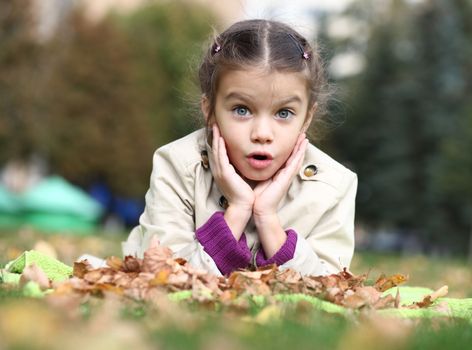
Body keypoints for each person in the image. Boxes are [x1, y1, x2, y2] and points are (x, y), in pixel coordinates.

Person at [122, 19, 358, 276]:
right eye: (242, 110)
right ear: (209, 110)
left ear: (307, 118)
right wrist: (238, 210)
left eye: (284, 113)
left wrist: (267, 217)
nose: (262, 134)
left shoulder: (334, 186)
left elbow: (329, 288)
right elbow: (165, 275)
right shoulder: (177, 166)